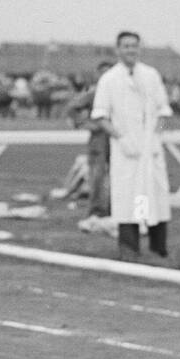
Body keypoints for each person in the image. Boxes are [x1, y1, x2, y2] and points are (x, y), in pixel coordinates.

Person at [90, 34, 173, 258]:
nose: (131, 50)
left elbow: (163, 111)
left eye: (134, 46)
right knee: (130, 199)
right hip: (126, 149)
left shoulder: (150, 75)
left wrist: (157, 137)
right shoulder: (109, 79)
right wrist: (120, 138)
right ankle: (130, 247)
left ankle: (158, 248)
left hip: (150, 147)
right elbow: (100, 116)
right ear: (117, 49)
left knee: (152, 197)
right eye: (126, 46)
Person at [70, 61, 115, 234]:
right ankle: (96, 211)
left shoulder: (119, 93)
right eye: (102, 73)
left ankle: (113, 210)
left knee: (117, 176)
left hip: (117, 138)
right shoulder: (94, 93)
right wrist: (86, 124)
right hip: (99, 138)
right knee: (97, 175)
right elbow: (72, 108)